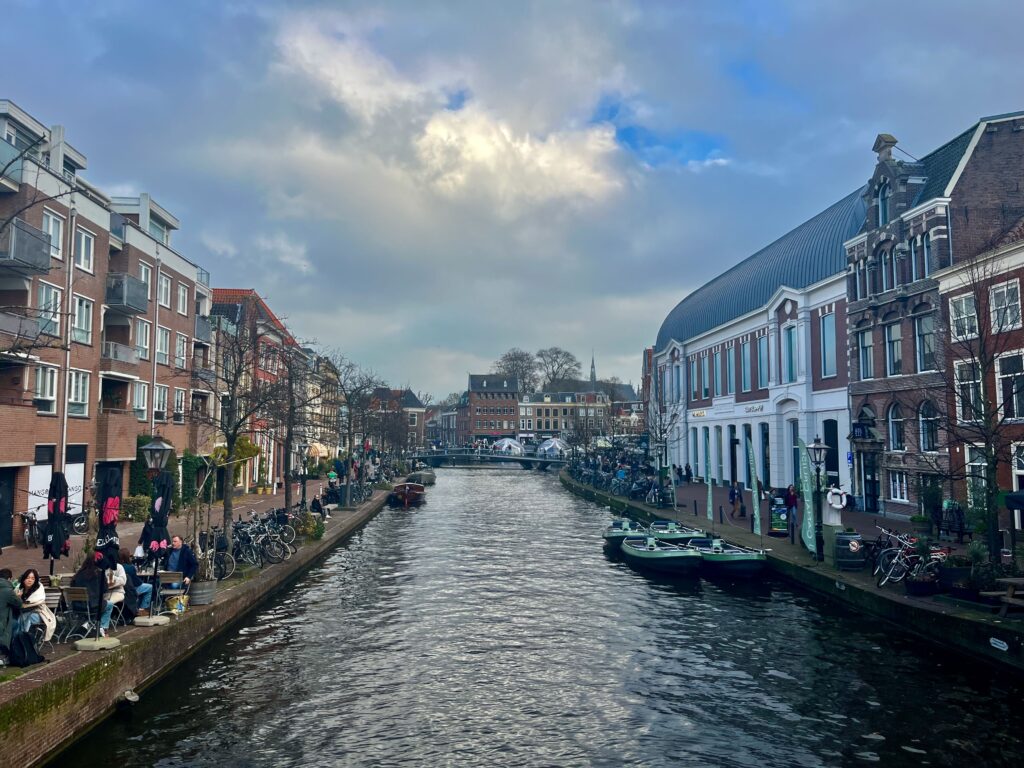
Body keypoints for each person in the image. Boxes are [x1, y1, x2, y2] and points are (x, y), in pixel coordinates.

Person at [72, 554, 113, 637]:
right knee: (109, 605)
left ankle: (87, 624)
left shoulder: (78, 575)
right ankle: (102, 628)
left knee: (101, 605)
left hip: (76, 606)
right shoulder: (98, 574)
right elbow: (105, 590)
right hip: (92, 606)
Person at [16, 569, 55, 642]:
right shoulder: (19, 588)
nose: (30, 580)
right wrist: (18, 597)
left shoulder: (38, 589)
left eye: (32, 578)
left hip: (38, 614)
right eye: (28, 578)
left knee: (26, 617)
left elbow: (34, 601)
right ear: (24, 579)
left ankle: (24, 640)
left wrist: (21, 602)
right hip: (22, 613)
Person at [119, 548, 152, 620]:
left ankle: (138, 607)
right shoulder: (130, 567)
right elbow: (137, 582)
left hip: (122, 589)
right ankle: (143, 609)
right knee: (149, 587)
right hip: (132, 588)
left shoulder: (118, 567)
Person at [0, 568, 22, 653]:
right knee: (16, 624)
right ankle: (11, 650)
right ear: (9, 579)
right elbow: (19, 604)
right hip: (1, 624)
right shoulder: (8, 590)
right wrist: (18, 596)